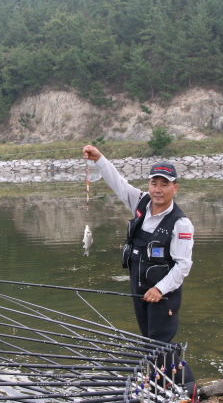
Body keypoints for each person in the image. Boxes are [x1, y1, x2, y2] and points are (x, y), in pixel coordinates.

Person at [83, 145, 194, 345]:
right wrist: (98, 158)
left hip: (163, 294)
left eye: (164, 184)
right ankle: (153, 377)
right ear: (149, 184)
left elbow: (183, 265)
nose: (158, 190)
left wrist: (160, 289)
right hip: (139, 288)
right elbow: (118, 183)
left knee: (160, 343)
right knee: (147, 340)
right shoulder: (140, 201)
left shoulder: (181, 223)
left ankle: (182, 377)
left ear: (175, 188)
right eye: (154, 183)